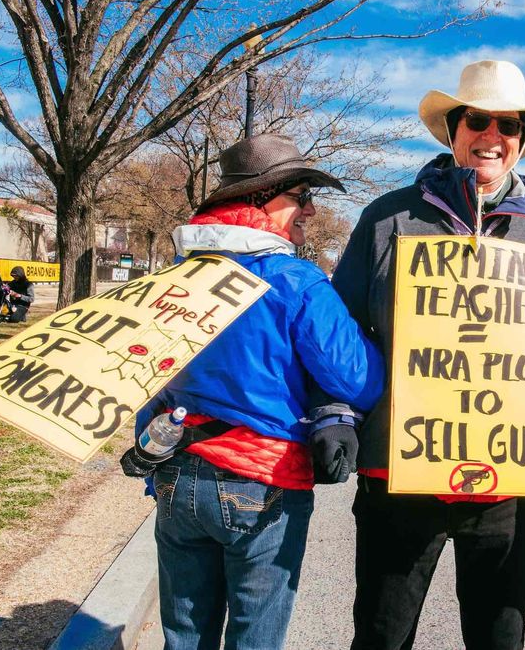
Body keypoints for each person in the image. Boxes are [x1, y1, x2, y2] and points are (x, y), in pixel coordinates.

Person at [315, 59, 525, 650]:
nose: (492, 136)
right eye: (478, 121)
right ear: (454, 129)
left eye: (508, 126)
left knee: (498, 636)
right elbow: (342, 332)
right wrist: (336, 412)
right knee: (382, 633)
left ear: (521, 142)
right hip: (399, 473)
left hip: (505, 481)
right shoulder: (388, 218)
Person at [133, 133, 385, 650]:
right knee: (255, 638)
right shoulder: (295, 280)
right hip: (262, 480)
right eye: (300, 197)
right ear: (259, 201)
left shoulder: (173, 278)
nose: (310, 211)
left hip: (177, 472)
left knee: (183, 637)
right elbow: (359, 379)